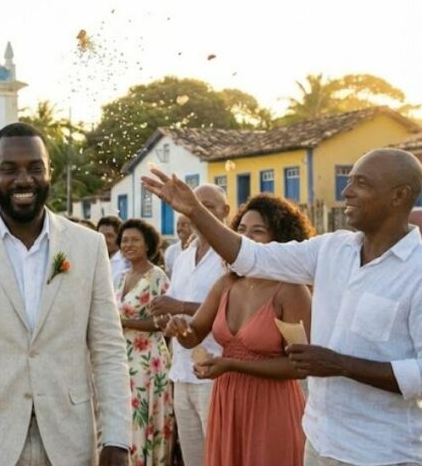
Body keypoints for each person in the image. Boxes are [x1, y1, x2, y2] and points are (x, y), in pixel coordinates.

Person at [144, 148, 422, 465]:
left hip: (383, 453)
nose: (346, 191)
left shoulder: (417, 272)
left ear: (399, 195)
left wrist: (341, 364)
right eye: (349, 181)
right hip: (319, 441)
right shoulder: (333, 248)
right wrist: (195, 211)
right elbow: (251, 257)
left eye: (361, 182)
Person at [0, 123, 130, 466]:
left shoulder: (88, 247)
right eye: (9, 169)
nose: (23, 179)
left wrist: (117, 438)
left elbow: (108, 348)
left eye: (35, 167)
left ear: (49, 171)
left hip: (68, 441)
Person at [165, 193, 313, 465]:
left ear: (280, 239)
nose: (247, 238)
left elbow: (298, 367)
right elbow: (194, 335)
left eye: (258, 232)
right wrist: (180, 328)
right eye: (241, 230)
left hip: (271, 405)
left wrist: (233, 364)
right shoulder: (226, 285)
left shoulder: (291, 290)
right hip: (227, 400)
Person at [148, 184, 230, 466]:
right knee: (192, 458)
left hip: (215, 373)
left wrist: (180, 307)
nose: (200, 212)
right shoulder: (182, 256)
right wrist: (166, 318)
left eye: (209, 206)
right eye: (196, 204)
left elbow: (232, 309)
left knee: (219, 456)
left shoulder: (230, 257)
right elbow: (176, 306)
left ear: (225, 212)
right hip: (182, 371)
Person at [116, 219, 174, 465]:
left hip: (149, 360)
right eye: (125, 240)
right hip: (123, 359)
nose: (128, 244)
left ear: (148, 244)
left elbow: (165, 322)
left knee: (144, 420)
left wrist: (125, 324)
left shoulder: (157, 276)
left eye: (135, 240)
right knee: (126, 421)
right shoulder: (120, 277)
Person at [98, 215, 130, 288]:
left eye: (109, 236)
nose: (104, 240)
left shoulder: (126, 263)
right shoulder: (94, 260)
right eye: (100, 235)